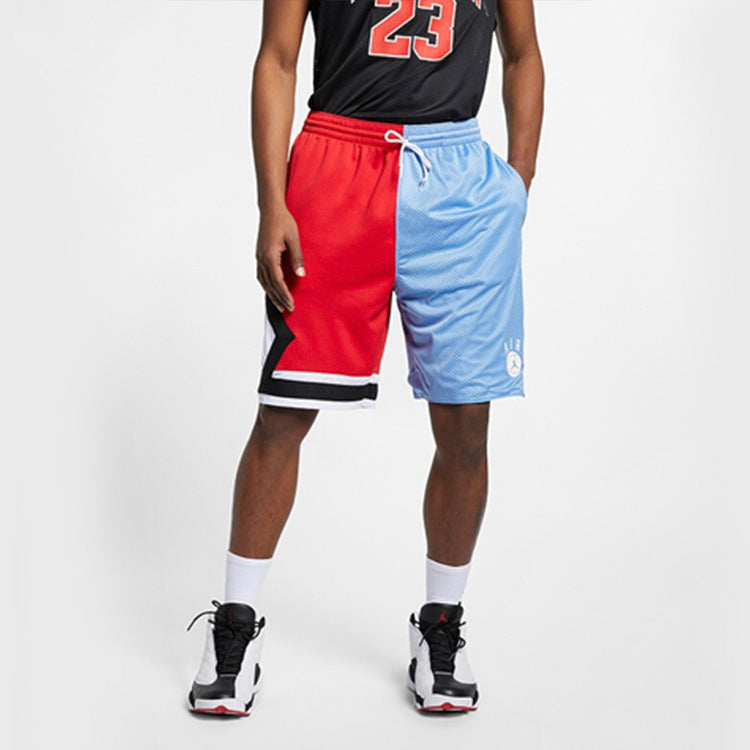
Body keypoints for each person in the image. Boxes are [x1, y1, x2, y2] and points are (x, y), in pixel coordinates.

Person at [187, 0, 543, 716]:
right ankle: (236, 627)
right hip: (337, 165)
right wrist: (271, 204)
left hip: (458, 179)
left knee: (466, 423)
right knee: (285, 412)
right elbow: (278, 59)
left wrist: (516, 184)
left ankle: (441, 627)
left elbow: (523, 52)